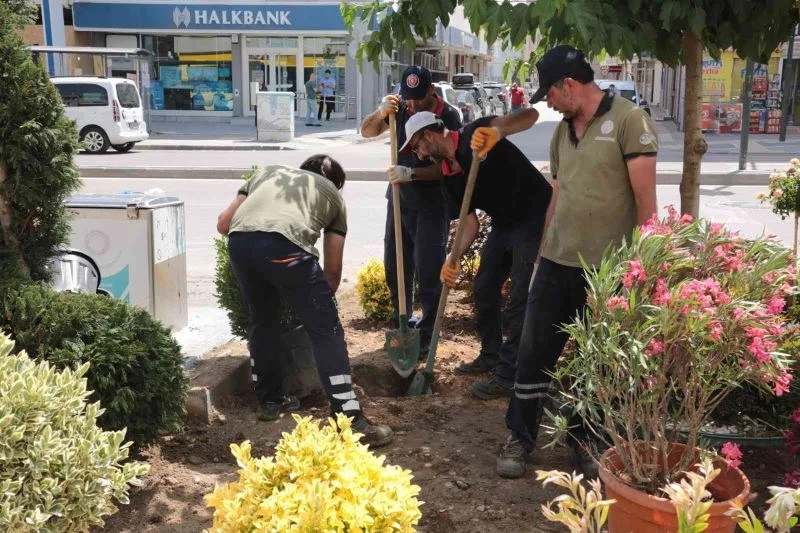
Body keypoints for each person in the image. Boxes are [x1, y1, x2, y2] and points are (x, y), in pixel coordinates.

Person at [495, 45, 659, 479]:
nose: (546, 103)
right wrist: (539, 256)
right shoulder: (560, 132)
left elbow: (647, 206)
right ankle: (520, 438)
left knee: (596, 361)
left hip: (607, 272)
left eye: (548, 93)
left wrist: (646, 270)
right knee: (532, 353)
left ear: (568, 85)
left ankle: (586, 442)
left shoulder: (629, 121)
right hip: (555, 262)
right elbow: (558, 195)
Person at [216, 156, 393, 447]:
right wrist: (318, 310)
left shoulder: (268, 171)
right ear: (337, 184)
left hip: (240, 244)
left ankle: (271, 401)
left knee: (263, 320)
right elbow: (333, 271)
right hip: (287, 247)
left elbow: (224, 224)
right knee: (327, 332)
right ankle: (350, 421)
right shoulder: (334, 196)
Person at [391, 110, 552, 403]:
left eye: (417, 146)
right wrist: (450, 260)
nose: (419, 154)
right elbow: (469, 224)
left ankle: (508, 375)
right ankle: (490, 355)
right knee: (484, 288)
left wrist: (498, 131)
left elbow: (530, 115)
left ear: (428, 135)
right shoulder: (449, 178)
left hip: (534, 216)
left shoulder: (474, 134)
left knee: (518, 299)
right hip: (504, 224)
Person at [360, 66, 462, 355]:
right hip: (399, 200)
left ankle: (428, 333)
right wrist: (381, 114)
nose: (413, 104)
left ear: (432, 90)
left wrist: (412, 173)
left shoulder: (449, 116)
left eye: (419, 97)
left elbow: (450, 167)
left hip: (432, 203)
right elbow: (367, 132)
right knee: (395, 265)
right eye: (409, 98)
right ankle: (401, 323)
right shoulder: (400, 107)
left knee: (429, 269)